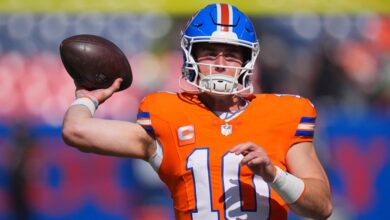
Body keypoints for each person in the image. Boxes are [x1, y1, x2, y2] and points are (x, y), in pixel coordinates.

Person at [62, 3, 332, 220]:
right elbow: (76, 131)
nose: (220, 64)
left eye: (231, 54)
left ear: (247, 60)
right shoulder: (167, 112)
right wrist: (88, 98)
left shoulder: (284, 113)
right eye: (210, 53)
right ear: (191, 56)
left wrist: (274, 174)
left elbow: (321, 207)